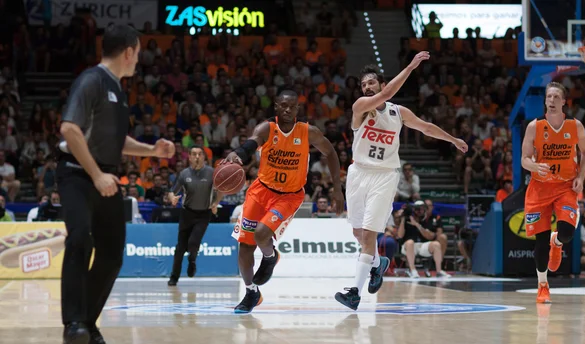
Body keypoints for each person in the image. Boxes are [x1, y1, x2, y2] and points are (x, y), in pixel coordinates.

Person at [57, 25, 175, 344]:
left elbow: (115, 141)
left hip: (105, 177)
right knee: (80, 238)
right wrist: (95, 175)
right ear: (128, 52)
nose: (138, 60)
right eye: (137, 53)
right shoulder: (91, 80)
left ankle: (88, 321)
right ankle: (73, 326)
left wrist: (152, 151)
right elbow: (70, 129)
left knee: (111, 256)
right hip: (78, 175)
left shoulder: (117, 90)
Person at [335, 54, 468, 310]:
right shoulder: (361, 107)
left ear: (382, 84)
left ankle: (355, 292)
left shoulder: (398, 112)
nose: (367, 88)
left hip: (384, 176)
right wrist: (410, 67)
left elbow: (426, 127)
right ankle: (378, 264)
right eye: (364, 85)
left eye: (372, 83)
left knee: (369, 236)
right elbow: (382, 98)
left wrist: (452, 139)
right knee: (358, 234)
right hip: (358, 173)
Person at [227, 90, 345, 313]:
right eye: (283, 105)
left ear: (298, 109)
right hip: (260, 191)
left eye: (292, 106)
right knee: (244, 246)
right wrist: (239, 153)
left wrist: (337, 189)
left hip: (289, 195)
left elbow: (330, 153)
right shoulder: (266, 129)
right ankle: (252, 292)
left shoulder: (308, 132)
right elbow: (253, 142)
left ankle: (270, 258)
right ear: (276, 107)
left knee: (261, 234)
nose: (287, 109)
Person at [521, 82, 585, 304]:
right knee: (540, 244)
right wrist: (534, 166)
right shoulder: (534, 126)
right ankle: (543, 285)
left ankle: (558, 243)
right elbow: (524, 159)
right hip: (539, 188)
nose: (550, 100)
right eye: (548, 97)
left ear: (563, 102)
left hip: (565, 187)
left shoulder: (575, 126)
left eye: (555, 97)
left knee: (568, 233)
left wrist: (581, 177)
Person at [166, 145, 223, 286]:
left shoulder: (212, 173)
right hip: (187, 213)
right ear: (189, 157)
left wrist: (216, 203)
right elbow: (172, 191)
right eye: (194, 154)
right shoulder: (184, 174)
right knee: (180, 248)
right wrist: (172, 198)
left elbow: (222, 190)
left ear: (204, 157)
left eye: (200, 154)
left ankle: (192, 260)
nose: (197, 157)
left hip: (204, 214)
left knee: (193, 242)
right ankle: (174, 277)